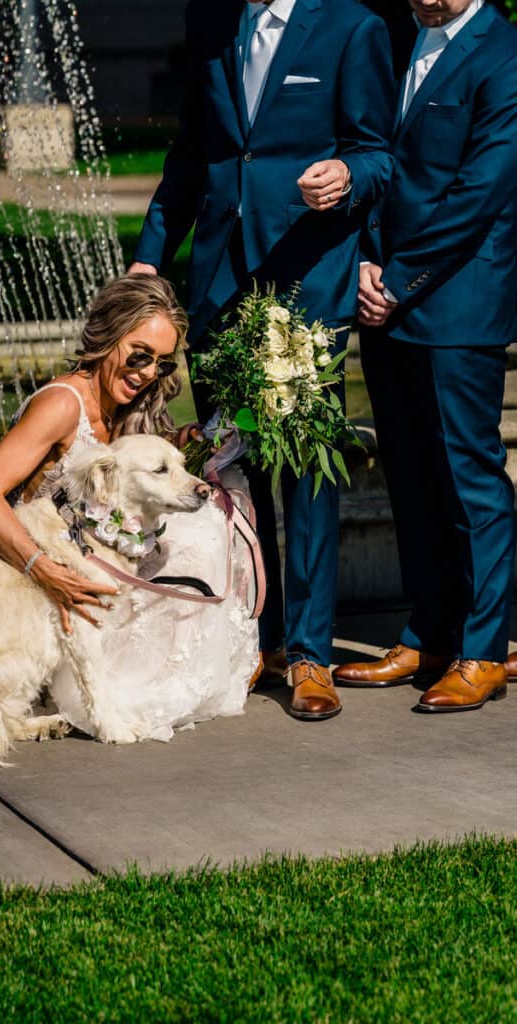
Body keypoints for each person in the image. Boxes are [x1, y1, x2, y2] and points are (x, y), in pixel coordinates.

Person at [129, 0, 395, 721]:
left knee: (306, 471)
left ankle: (309, 655)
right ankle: (258, 641)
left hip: (304, 286)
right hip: (220, 284)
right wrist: (150, 255)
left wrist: (345, 173)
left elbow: (377, 153)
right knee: (232, 470)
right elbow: (196, 153)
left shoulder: (353, 27)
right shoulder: (208, 20)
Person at [0, 274, 260, 743]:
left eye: (160, 364)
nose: (145, 373)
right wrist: (42, 568)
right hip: (41, 582)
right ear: (107, 335)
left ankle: (181, 673)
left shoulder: (123, 403)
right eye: (138, 354)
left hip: (98, 560)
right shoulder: (63, 405)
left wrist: (184, 445)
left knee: (213, 518)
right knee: (197, 538)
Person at [334, 0, 517, 711]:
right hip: (385, 296)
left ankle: (482, 649)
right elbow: (379, 162)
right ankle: (426, 634)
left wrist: (401, 279)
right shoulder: (402, 40)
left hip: (454, 307)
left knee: (469, 482)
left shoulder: (503, 54)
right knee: (410, 475)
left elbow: (481, 189)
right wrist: (365, 264)